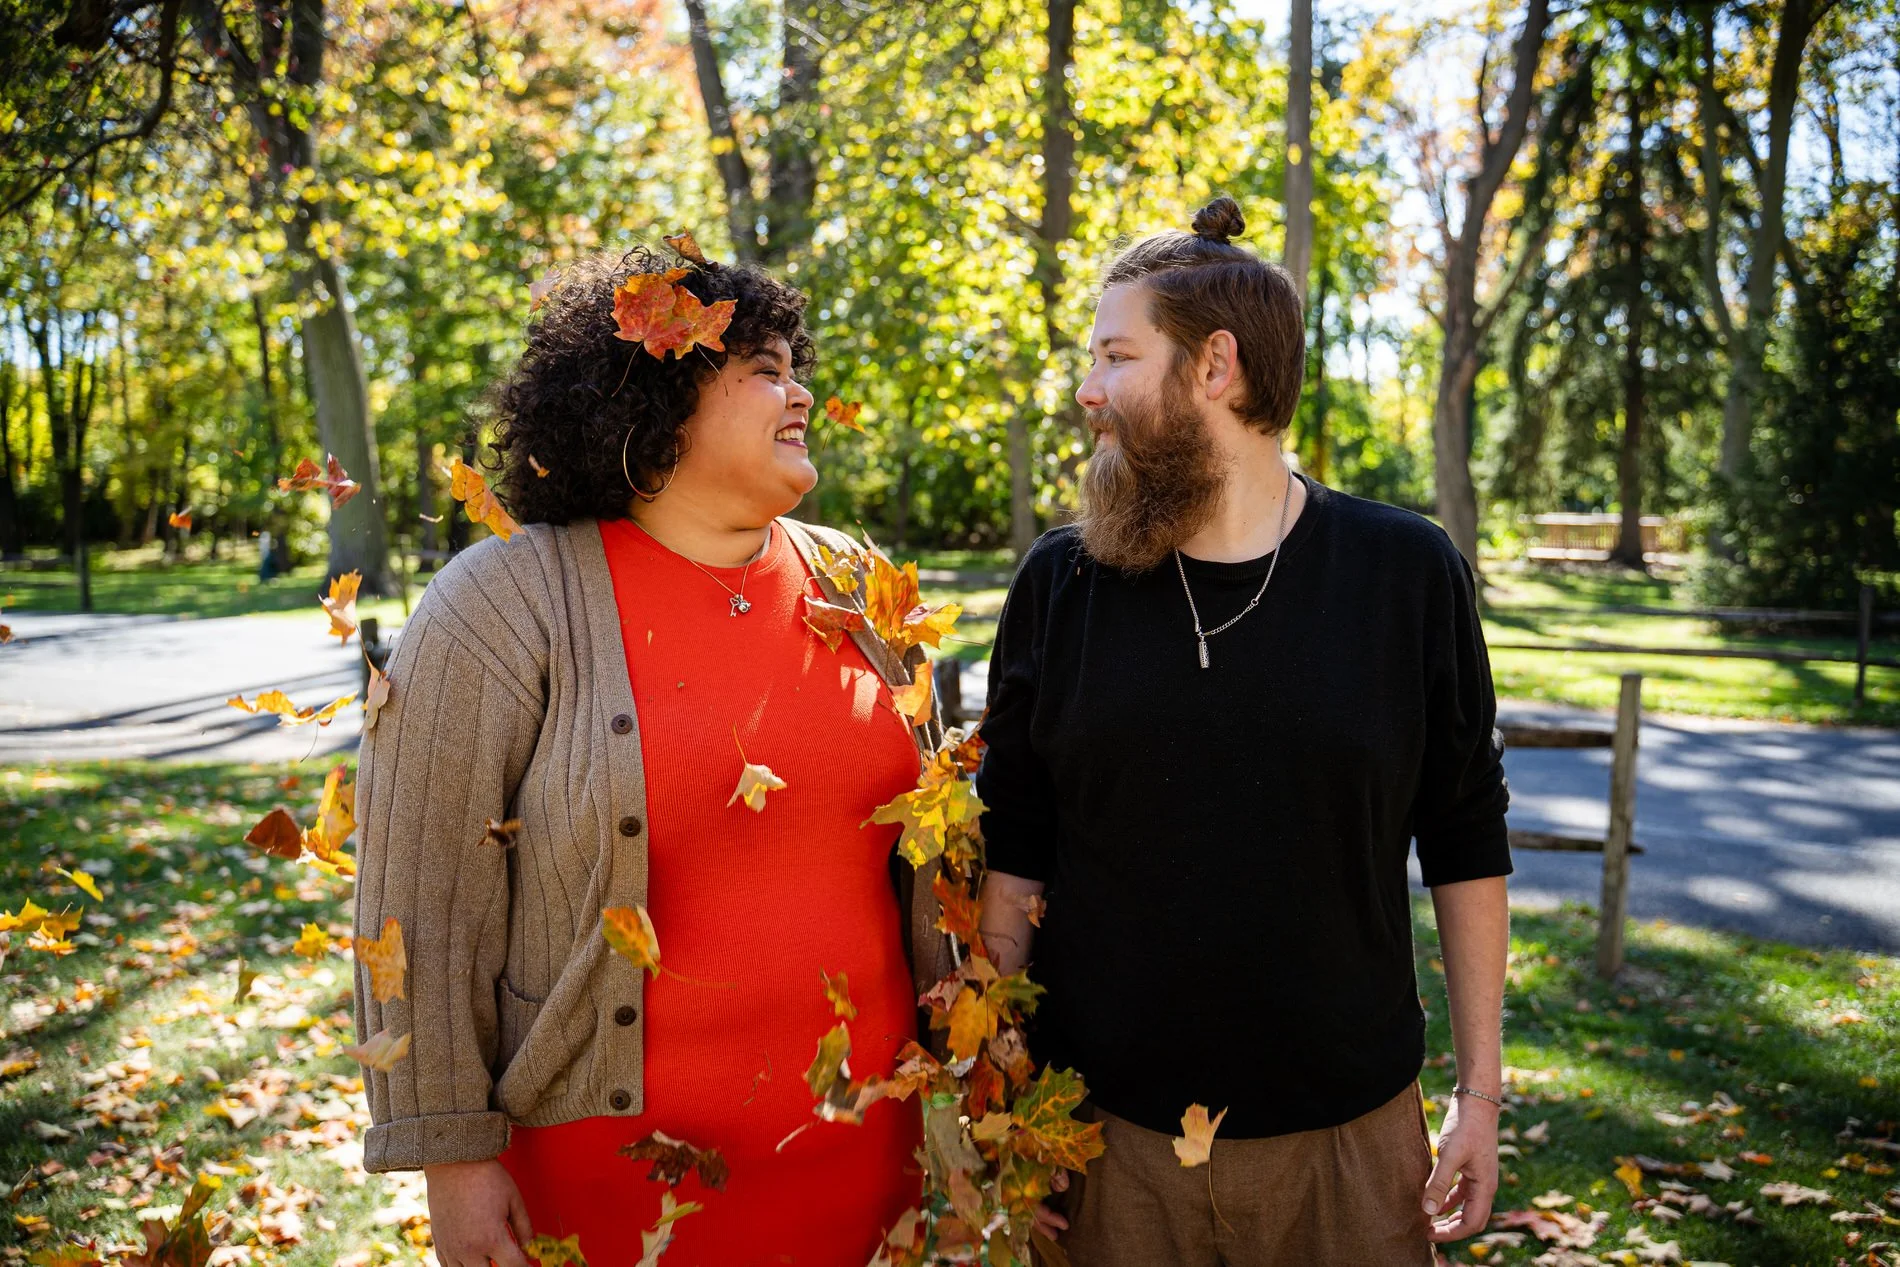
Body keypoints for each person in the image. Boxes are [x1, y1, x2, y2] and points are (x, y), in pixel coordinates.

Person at [351, 245, 953, 1267]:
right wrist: (449, 1158)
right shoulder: (504, 603)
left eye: (792, 364)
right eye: (760, 368)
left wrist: (966, 1076)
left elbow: (937, 856)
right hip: (611, 1187)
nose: (798, 389)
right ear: (655, 397)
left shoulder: (861, 589)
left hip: (863, 1173)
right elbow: (420, 896)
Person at [975, 196, 1512, 1266]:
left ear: (1213, 366)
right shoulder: (1061, 580)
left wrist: (1481, 1097)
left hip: (1351, 1142)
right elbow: (1014, 852)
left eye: (1115, 356)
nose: (1088, 391)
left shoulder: (1404, 573)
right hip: (1106, 1142)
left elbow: (1464, 838)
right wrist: (1000, 1106)